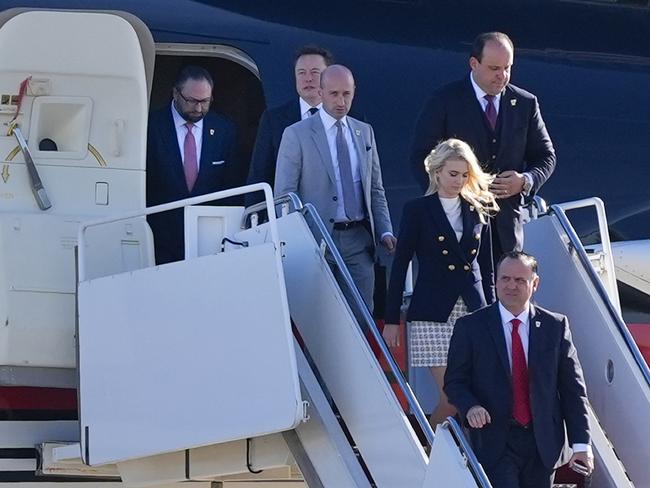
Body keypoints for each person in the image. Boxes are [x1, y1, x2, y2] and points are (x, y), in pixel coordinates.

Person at [444, 251, 593, 487]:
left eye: (519, 280)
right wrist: (470, 406)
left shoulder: (555, 326)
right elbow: (454, 381)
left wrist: (582, 444)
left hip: (543, 443)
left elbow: (573, 390)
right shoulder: (470, 327)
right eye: (505, 278)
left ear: (535, 284)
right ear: (496, 281)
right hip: (495, 441)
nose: (511, 285)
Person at [383, 138, 498, 427]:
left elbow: (487, 266)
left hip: (473, 309)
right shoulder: (418, 210)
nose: (458, 181)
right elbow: (400, 264)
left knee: (479, 393)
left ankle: (463, 458)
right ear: (437, 172)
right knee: (452, 398)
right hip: (433, 312)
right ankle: (432, 457)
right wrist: (392, 318)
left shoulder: (477, 209)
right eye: (452, 174)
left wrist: (496, 312)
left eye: (464, 175)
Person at [410, 32, 556, 260]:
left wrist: (525, 181)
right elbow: (421, 157)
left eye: (507, 68)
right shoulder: (444, 101)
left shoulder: (525, 104)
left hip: (507, 229)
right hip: (459, 226)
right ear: (474, 64)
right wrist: (446, 198)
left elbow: (546, 156)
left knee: (505, 292)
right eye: (494, 68)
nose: (502, 76)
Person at [275, 65, 396, 311]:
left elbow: (375, 189)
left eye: (346, 94)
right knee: (319, 317)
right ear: (320, 93)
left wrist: (384, 231)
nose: (341, 101)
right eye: (334, 94)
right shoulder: (297, 134)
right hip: (316, 239)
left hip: (358, 240)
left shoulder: (364, 132)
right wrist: (299, 239)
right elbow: (284, 197)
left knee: (363, 315)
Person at [146, 65, 237, 264]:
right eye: (191, 101)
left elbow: (231, 185)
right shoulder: (151, 127)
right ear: (175, 94)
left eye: (205, 101)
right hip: (159, 238)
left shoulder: (224, 130)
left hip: (209, 240)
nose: (198, 108)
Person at [245, 45, 334, 206]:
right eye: (301, 73)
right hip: (290, 218)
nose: (308, 79)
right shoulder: (274, 120)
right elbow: (259, 175)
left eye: (315, 72)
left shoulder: (350, 119)